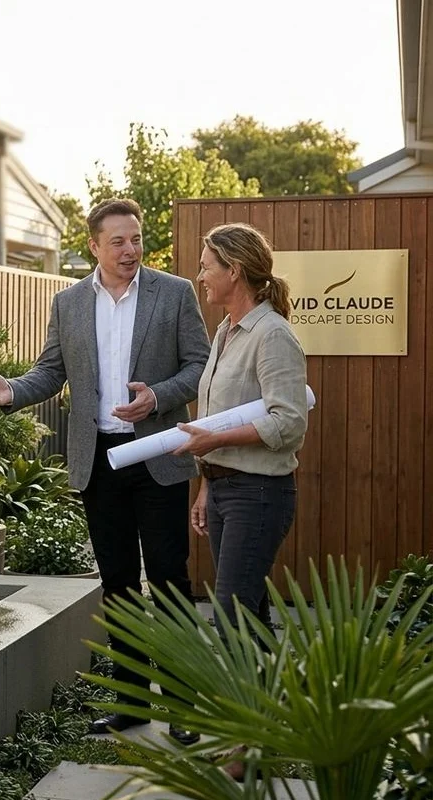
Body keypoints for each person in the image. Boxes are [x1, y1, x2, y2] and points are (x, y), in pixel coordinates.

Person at [0, 198, 209, 743]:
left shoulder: (175, 293)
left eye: (136, 239)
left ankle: (181, 708)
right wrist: (12, 391)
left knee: (170, 581)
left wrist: (158, 397)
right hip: (99, 461)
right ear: (95, 247)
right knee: (119, 585)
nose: (130, 250)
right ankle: (131, 704)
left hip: (158, 457)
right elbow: (51, 371)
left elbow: (200, 365)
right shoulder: (69, 302)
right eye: (118, 241)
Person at [172, 222, 308, 782]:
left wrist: (216, 443)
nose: (200, 275)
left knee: (230, 618)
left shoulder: (271, 334)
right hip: (227, 490)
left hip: (259, 494)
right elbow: (218, 417)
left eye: (207, 265)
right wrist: (206, 481)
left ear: (235, 270)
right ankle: (268, 724)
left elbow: (289, 422)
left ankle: (243, 747)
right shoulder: (226, 332)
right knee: (248, 616)